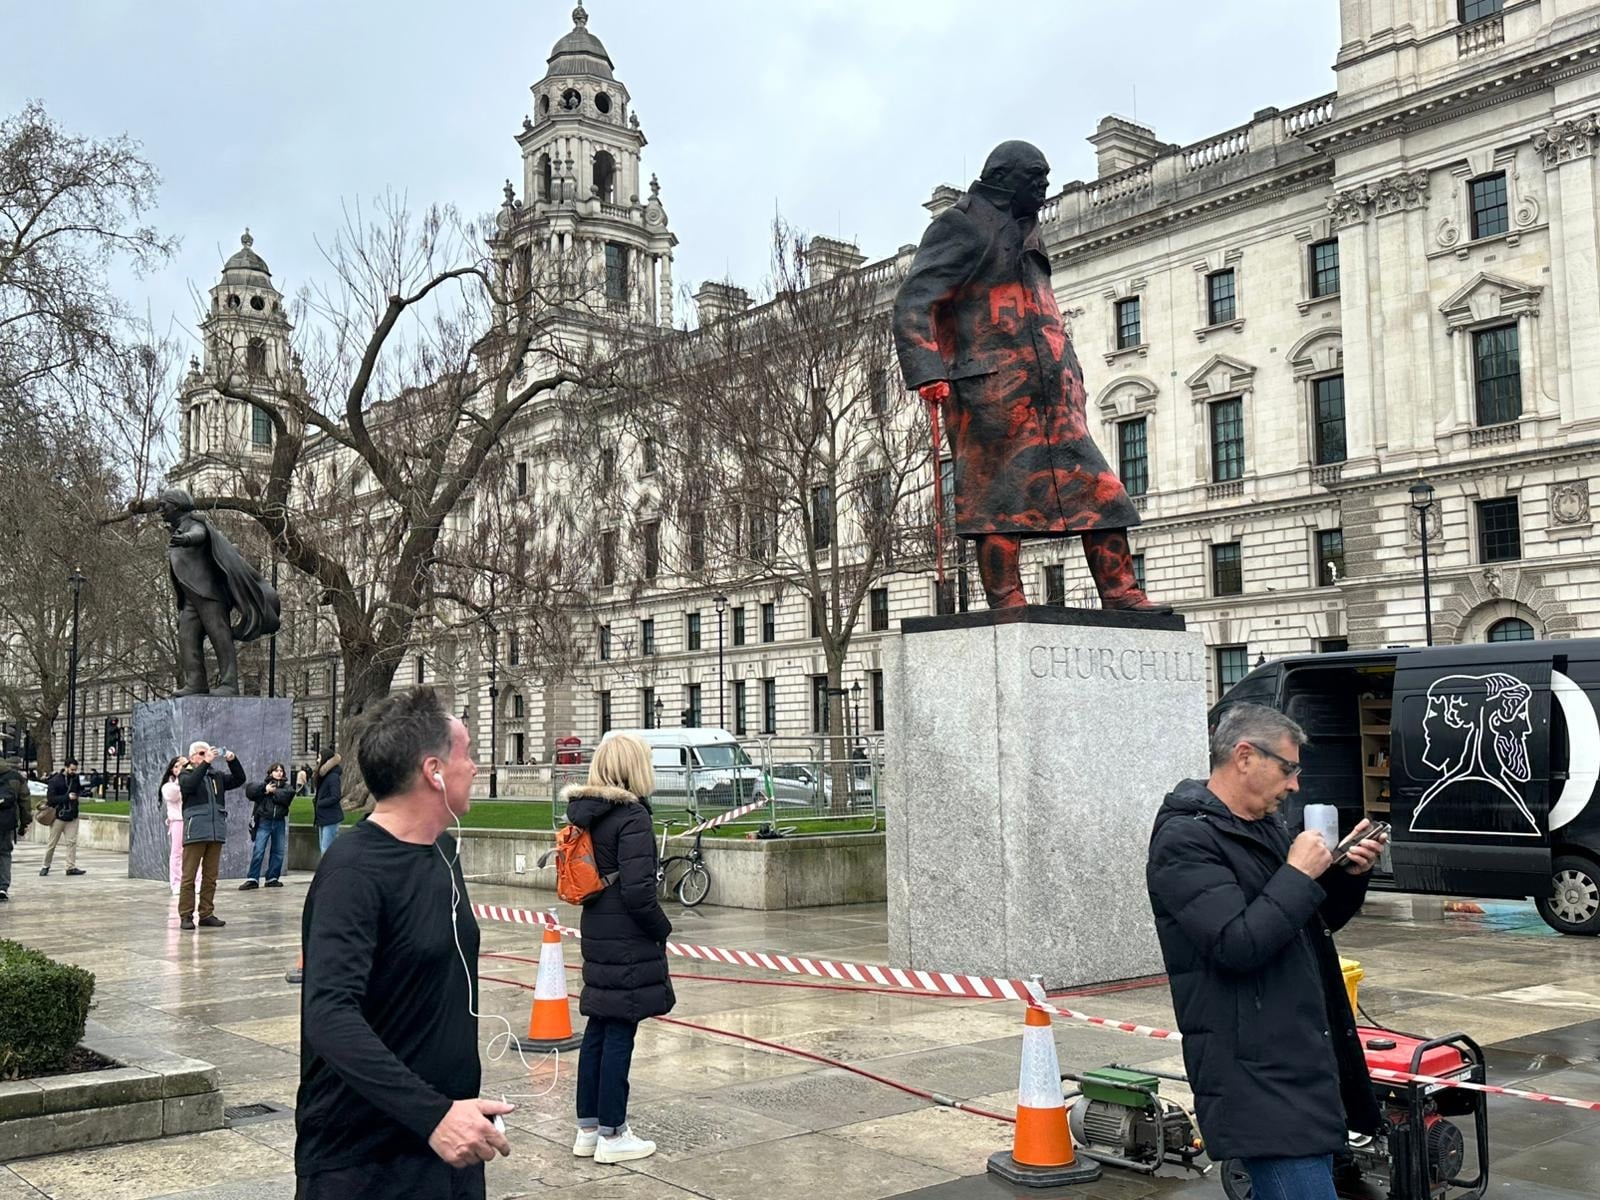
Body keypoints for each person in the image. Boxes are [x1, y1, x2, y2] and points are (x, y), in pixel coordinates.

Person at [892, 140, 1167, 612]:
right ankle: (1007, 600)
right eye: (1035, 178)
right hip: (990, 392)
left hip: (1052, 394)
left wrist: (1071, 371)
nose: (1044, 187)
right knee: (995, 503)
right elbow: (914, 301)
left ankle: (1122, 593)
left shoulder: (1028, 227)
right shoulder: (959, 225)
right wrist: (927, 372)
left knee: (1102, 493)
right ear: (1004, 177)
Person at [1147, 704, 1388, 1200]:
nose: (1295, 784)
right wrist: (1298, 873)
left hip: (1298, 1058)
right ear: (1243, 757)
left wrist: (1346, 875)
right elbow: (1238, 944)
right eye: (1288, 768)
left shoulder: (1264, 827)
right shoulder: (1185, 839)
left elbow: (1308, 925)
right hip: (1253, 1071)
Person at [295, 685, 510, 1200]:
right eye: (467, 754)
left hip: (450, 1139)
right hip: (368, 1161)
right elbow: (328, 1015)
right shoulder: (353, 872)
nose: (475, 767)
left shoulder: (444, 849)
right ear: (434, 771)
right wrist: (432, 1114)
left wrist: (450, 1113)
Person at [562, 732, 674, 1165]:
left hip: (597, 925)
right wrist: (661, 929)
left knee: (599, 1028)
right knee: (620, 1032)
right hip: (627, 933)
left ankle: (588, 1129)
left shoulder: (590, 814)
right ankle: (613, 1132)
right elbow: (640, 891)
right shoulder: (633, 817)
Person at [158, 485, 281, 697]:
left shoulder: (194, 524)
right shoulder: (178, 527)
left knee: (219, 635)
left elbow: (200, 534)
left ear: (177, 506)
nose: (160, 510)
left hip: (209, 595)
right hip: (191, 597)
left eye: (163, 505)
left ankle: (229, 683)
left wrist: (186, 539)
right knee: (187, 637)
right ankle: (195, 682)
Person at [177, 742, 245, 930]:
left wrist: (233, 760)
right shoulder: (186, 773)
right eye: (201, 753)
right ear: (192, 757)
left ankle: (206, 913)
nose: (205, 756)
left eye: (207, 753)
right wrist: (205, 764)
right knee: (189, 876)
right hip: (196, 830)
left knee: (210, 876)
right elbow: (190, 786)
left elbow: (240, 779)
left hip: (215, 831)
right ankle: (186, 915)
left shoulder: (216, 776)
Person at [241, 762, 292, 890]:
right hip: (265, 821)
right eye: (276, 770)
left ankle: (272, 878)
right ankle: (253, 878)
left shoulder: (287, 787)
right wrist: (265, 790)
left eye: (281, 770)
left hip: (279, 821)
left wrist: (272, 792)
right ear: (270, 773)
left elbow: (285, 797)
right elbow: (250, 791)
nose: (279, 773)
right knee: (259, 850)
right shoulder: (263, 786)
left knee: (278, 851)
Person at [40, 758, 85, 877]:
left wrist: (80, 794)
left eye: (75, 770)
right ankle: (45, 865)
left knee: (71, 842)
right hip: (59, 816)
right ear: (65, 767)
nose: (73, 772)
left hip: (72, 815)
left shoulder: (75, 779)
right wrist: (67, 797)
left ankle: (70, 866)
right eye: (72, 769)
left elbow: (79, 791)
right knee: (52, 843)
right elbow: (51, 799)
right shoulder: (55, 780)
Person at [160, 755, 188, 896]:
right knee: (177, 853)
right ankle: (176, 883)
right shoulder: (169, 786)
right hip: (177, 821)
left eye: (181, 766)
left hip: (191, 819)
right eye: (176, 766)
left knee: (195, 853)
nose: (179, 769)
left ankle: (197, 882)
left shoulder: (191, 780)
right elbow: (174, 795)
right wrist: (182, 777)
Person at [0, 755, 27, 901]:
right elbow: (24, 801)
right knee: (4, 853)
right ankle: (3, 887)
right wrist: (24, 822)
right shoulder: (15, 776)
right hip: (6, 822)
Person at [313, 749, 343, 855]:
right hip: (323, 817)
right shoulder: (325, 776)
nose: (317, 760)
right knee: (323, 848)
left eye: (319, 757)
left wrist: (320, 803)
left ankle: (327, 871)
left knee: (326, 849)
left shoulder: (333, 777)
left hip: (330, 817)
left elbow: (336, 796)